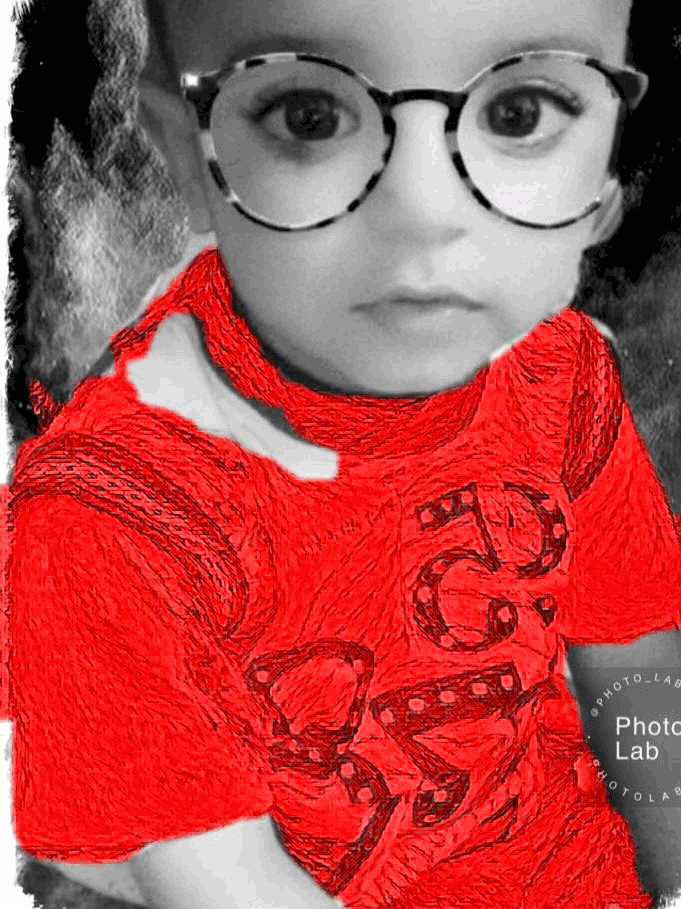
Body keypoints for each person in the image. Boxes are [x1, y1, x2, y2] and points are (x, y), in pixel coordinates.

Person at [8, 0, 681, 907]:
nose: (424, 210)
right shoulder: (108, 515)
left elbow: (633, 665)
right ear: (187, 153)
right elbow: (225, 885)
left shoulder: (556, 369)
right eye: (310, 117)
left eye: (517, 112)